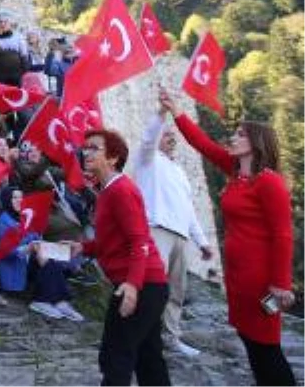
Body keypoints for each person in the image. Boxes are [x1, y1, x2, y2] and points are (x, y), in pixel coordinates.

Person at [162, 90, 297, 385]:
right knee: (251, 343)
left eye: (240, 135)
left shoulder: (269, 182)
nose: (232, 138)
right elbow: (202, 144)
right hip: (238, 278)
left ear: (256, 144)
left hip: (261, 281)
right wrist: (177, 112)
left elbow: (283, 234)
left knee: (267, 349)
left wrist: (280, 283)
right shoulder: (237, 174)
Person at [70, 129, 170, 387]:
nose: (86, 152)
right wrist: (83, 248)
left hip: (140, 284)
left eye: (94, 148)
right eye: (85, 147)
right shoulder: (107, 192)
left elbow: (139, 240)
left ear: (113, 158)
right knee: (149, 359)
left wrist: (133, 287)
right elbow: (111, 242)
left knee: (115, 356)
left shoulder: (120, 190)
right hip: (146, 284)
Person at [132, 105, 215, 357]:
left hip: (180, 236)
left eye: (173, 136)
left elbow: (188, 209)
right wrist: (161, 114)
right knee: (151, 288)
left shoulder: (179, 172)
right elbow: (148, 138)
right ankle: (141, 337)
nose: (172, 139)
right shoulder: (147, 159)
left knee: (176, 291)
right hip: (156, 230)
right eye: (167, 134)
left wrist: (202, 242)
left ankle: (170, 337)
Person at [0, 187, 82, 320]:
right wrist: (29, 248)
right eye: (15, 197)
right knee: (46, 261)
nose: (19, 201)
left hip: (31, 259)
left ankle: (60, 302)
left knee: (51, 260)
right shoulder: (2, 221)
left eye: (21, 197)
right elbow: (5, 252)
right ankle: (43, 300)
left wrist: (43, 245)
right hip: (15, 264)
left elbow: (36, 237)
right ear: (7, 200)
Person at [0, 12, 27, 87]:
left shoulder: (18, 37)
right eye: (0, 22)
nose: (2, 24)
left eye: (5, 22)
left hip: (15, 75)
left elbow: (24, 56)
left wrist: (23, 72)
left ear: (10, 24)